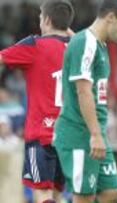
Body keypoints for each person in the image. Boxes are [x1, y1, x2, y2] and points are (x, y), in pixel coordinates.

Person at [52, 0, 117, 202]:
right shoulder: (85, 42)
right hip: (80, 134)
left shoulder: (100, 45)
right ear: (110, 17)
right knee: (84, 197)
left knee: (111, 193)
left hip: (94, 133)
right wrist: (95, 135)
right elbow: (83, 91)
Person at [0, 0, 74, 202]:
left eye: (41, 17)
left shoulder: (35, 45)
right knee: (59, 194)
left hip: (41, 134)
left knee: (42, 193)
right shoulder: (78, 47)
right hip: (68, 134)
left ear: (47, 20)